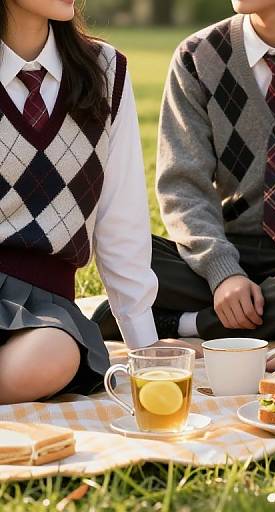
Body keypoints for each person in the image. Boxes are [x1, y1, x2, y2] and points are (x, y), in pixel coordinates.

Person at [93, 0, 275, 343]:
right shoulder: (196, 56)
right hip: (224, 245)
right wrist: (223, 273)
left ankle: (182, 323)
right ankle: (250, 310)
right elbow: (183, 186)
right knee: (133, 257)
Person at [0, 0, 159, 404]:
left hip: (45, 314)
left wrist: (144, 348)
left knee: (55, 355)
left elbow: (119, 221)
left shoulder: (106, 71)